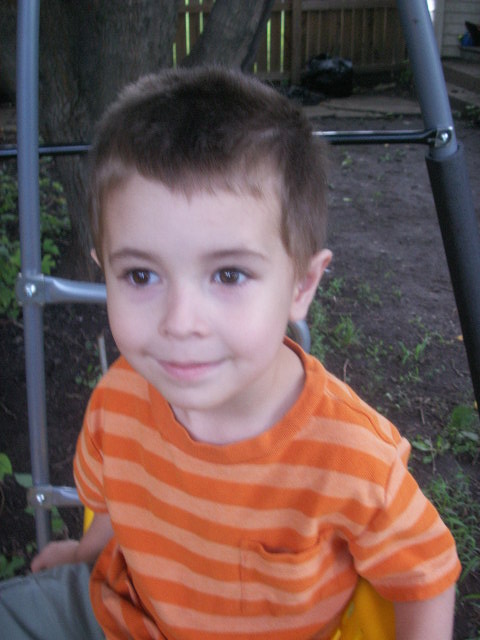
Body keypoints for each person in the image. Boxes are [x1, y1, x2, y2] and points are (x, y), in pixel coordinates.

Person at [0, 67, 460, 639]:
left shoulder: (350, 456)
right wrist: (83, 554)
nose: (180, 322)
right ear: (105, 272)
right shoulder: (118, 397)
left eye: (229, 274)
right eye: (140, 274)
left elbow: (426, 574)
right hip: (120, 614)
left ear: (301, 285)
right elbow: (113, 505)